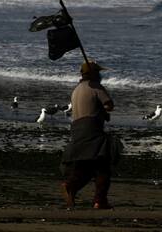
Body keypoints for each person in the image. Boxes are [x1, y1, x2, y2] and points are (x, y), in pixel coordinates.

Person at [60, 60, 116, 210]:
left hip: (76, 129)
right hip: (92, 129)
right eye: (98, 72)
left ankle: (71, 186)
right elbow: (109, 105)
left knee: (86, 165)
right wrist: (103, 110)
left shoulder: (76, 89)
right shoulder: (96, 86)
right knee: (103, 164)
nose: (100, 75)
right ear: (94, 74)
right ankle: (99, 200)